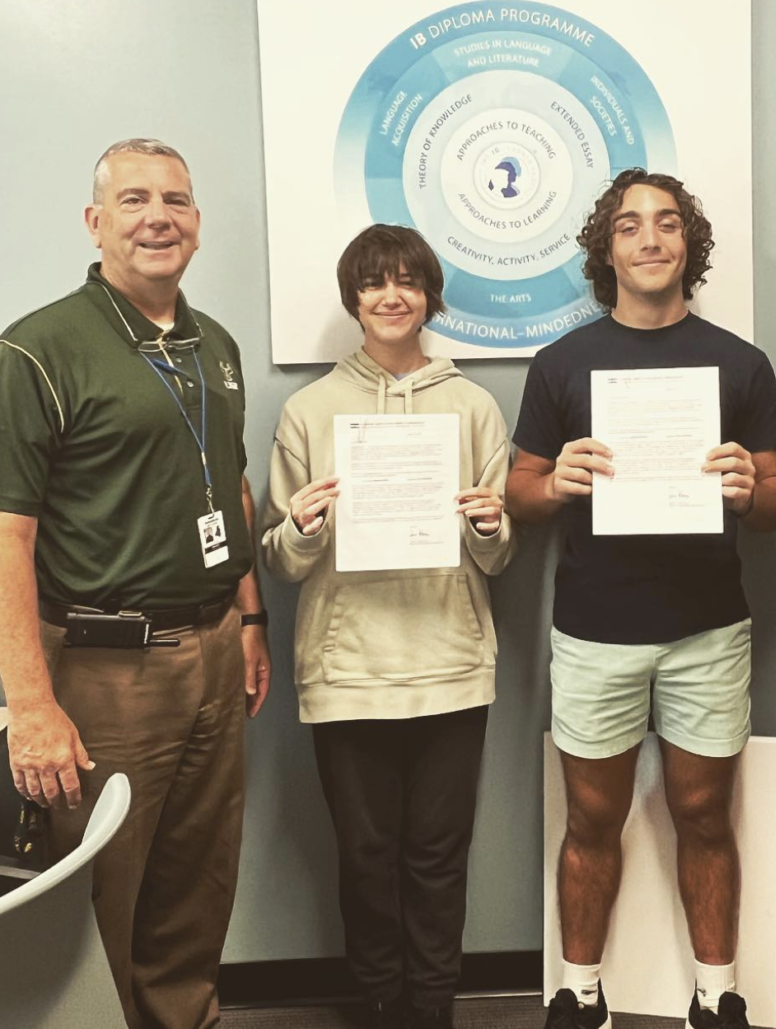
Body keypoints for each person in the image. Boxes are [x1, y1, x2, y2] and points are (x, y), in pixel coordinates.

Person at [0, 138, 271, 1029]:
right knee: (102, 892)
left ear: (198, 224)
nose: (158, 218)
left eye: (175, 201)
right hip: (105, 673)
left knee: (196, 881)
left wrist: (250, 621)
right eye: (134, 200)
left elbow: (233, 484)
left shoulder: (212, 344)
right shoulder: (37, 351)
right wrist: (31, 707)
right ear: (95, 222)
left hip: (215, 652)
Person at [506, 169, 776, 1029]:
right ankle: (579, 994)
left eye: (667, 224)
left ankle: (718, 997)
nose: (651, 239)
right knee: (591, 818)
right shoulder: (561, 365)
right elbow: (520, 494)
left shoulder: (741, 363)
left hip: (707, 629)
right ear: (607, 249)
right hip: (596, 630)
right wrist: (555, 482)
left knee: (704, 813)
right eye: (630, 226)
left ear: (688, 244)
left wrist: (752, 487)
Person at [261, 224, 515, 1029]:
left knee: (439, 857)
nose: (392, 295)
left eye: (408, 281)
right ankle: (379, 1003)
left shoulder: (473, 405)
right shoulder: (309, 411)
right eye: (375, 283)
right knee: (367, 859)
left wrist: (486, 527)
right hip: (348, 673)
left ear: (429, 295)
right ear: (355, 299)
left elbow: (501, 556)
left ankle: (432, 1006)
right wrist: (300, 526)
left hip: (449, 664)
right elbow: (280, 560)